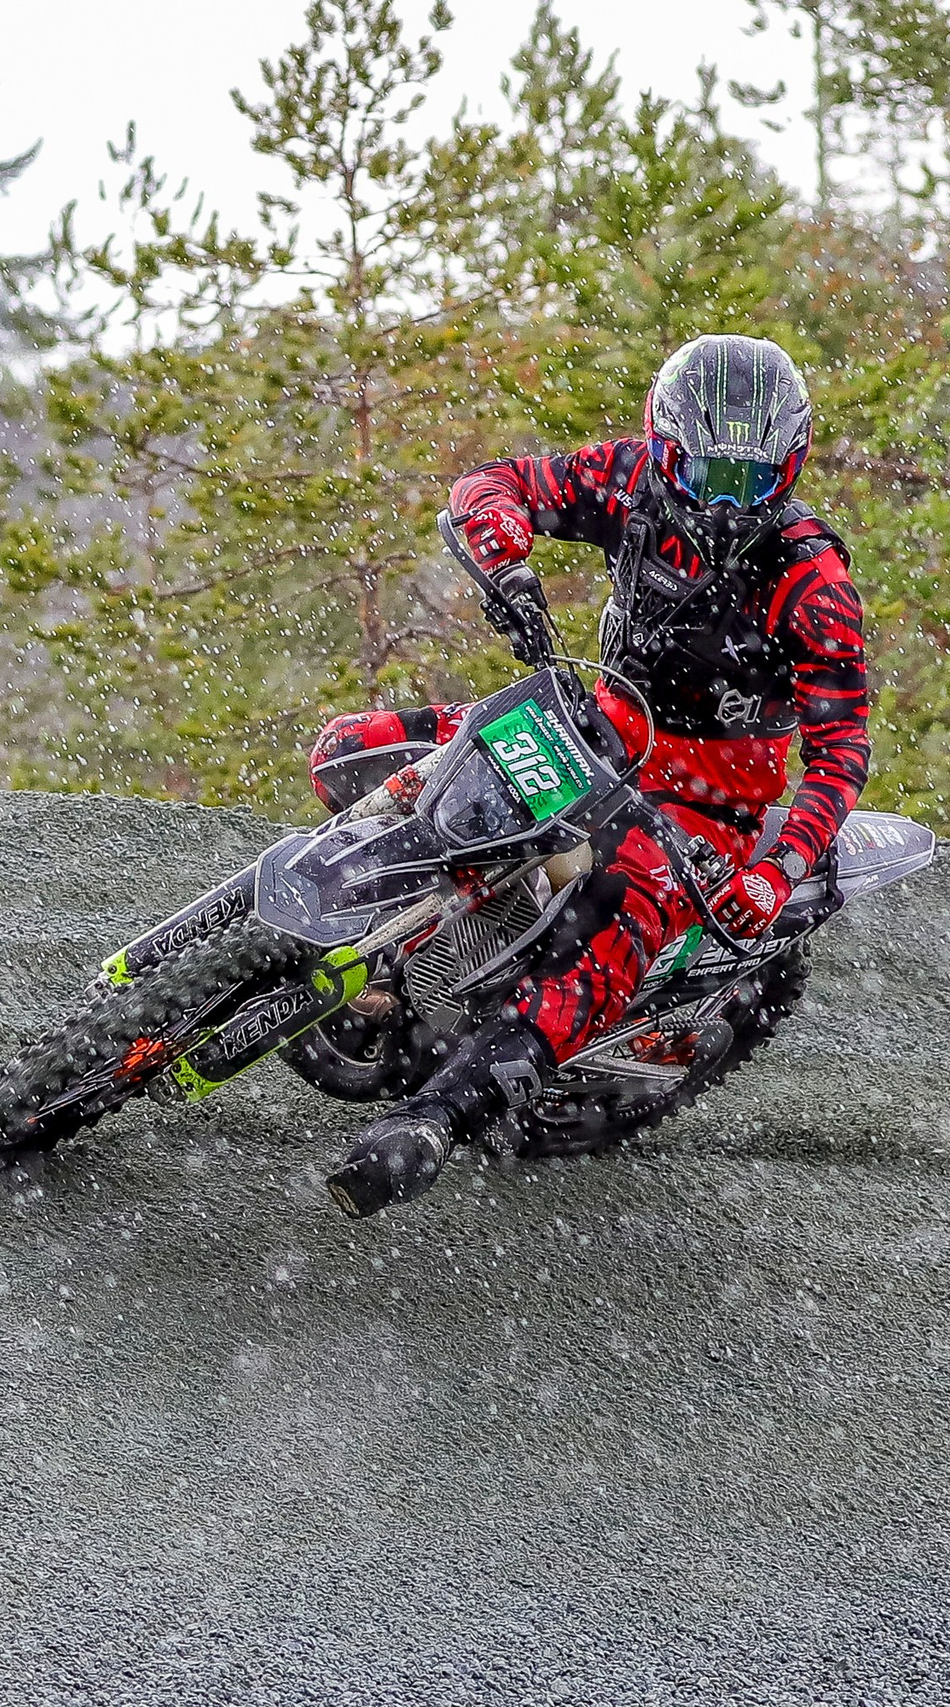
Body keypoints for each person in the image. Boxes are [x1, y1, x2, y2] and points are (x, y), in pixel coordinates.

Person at [315, 334, 870, 1218]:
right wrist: (507, 563)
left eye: (750, 483)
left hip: (709, 801)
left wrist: (773, 872)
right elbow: (493, 486)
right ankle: (383, 945)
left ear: (790, 467)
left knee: (614, 917)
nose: (725, 504)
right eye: (707, 475)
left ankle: (433, 1120)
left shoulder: (811, 582)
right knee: (352, 750)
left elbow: (842, 753)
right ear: (663, 444)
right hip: (597, 722)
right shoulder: (630, 481)